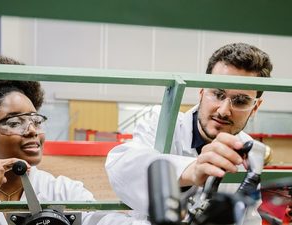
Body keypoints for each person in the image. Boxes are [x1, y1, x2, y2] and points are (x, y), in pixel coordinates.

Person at [105, 43, 273, 224]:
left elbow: (248, 218)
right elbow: (122, 167)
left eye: (240, 101)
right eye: (217, 94)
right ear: (202, 91)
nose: (224, 110)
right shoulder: (162, 123)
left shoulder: (246, 151)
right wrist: (191, 170)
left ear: (255, 107)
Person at [0, 55, 139, 225]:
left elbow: (102, 221)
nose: (32, 130)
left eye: (36, 121)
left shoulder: (63, 191)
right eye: (15, 123)